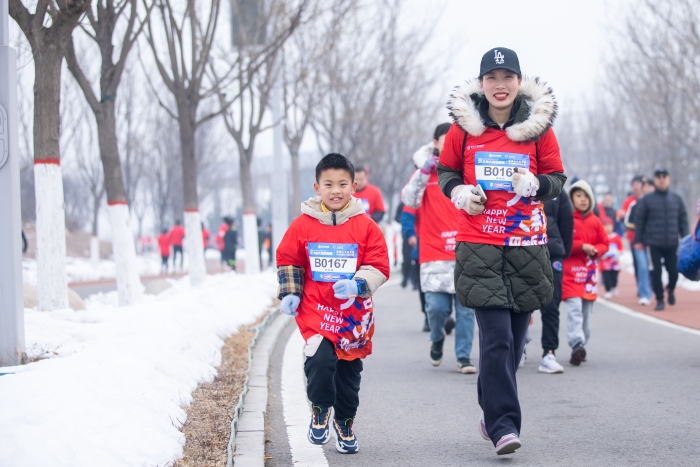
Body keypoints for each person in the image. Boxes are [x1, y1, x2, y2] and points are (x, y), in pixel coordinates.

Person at [437, 47, 566, 455]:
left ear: (518, 82)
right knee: (494, 341)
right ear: (481, 84)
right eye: (492, 78)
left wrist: (536, 185)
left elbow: (557, 178)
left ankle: (490, 408)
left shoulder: (538, 128)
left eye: (507, 77)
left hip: (526, 245)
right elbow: (447, 171)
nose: (500, 85)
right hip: (480, 244)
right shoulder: (464, 129)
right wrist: (459, 192)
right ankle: (504, 425)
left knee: (512, 343)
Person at [276, 153, 389, 454]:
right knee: (321, 361)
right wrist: (290, 292)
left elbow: (379, 265)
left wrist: (358, 284)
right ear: (317, 187)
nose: (336, 190)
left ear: (354, 187)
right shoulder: (302, 225)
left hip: (352, 315)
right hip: (316, 310)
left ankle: (345, 422)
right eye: (329, 184)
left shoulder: (366, 226)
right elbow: (289, 259)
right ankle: (320, 409)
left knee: (349, 380)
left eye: (342, 184)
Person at [402, 122, 476, 373]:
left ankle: (463, 357)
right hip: (433, 252)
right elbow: (409, 200)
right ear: (436, 144)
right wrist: (423, 172)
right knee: (436, 308)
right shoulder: (425, 173)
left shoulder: (468, 171)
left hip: (466, 250)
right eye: (446, 140)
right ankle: (437, 338)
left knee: (466, 310)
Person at [562, 180, 609, 366]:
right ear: (572, 198)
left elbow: (605, 243)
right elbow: (564, 244)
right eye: (578, 196)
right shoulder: (567, 220)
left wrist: (596, 249)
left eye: (585, 196)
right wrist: (581, 246)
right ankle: (576, 343)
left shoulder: (595, 222)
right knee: (574, 311)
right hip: (570, 276)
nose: (582, 200)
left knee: (586, 316)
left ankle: (582, 344)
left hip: (588, 277)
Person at [633, 167, 689, 311]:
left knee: (674, 272)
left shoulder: (676, 199)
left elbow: (683, 221)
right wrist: (638, 240)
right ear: (655, 179)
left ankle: (670, 289)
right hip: (654, 243)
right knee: (656, 272)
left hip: (672, 243)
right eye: (658, 176)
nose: (662, 179)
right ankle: (659, 299)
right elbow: (640, 221)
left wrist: (686, 240)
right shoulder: (647, 200)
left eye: (664, 176)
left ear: (669, 179)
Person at [537, 191, 573, 374]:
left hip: (553, 253)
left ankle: (549, 353)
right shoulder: (515, 184)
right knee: (519, 304)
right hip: (524, 249)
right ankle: (520, 349)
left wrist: (561, 250)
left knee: (552, 304)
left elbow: (567, 224)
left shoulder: (558, 192)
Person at [620, 175, 647, 291]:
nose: (636, 187)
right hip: (633, 237)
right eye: (634, 185)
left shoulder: (647, 199)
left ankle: (649, 286)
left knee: (648, 264)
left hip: (649, 237)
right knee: (639, 264)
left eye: (638, 185)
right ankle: (641, 287)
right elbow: (624, 218)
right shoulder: (629, 201)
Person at [600, 218, 624, 298]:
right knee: (606, 277)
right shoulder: (601, 237)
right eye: (605, 226)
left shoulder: (616, 237)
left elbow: (621, 247)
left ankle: (614, 286)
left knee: (614, 276)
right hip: (604, 262)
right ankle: (608, 290)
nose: (608, 228)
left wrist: (618, 252)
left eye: (609, 226)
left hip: (614, 262)